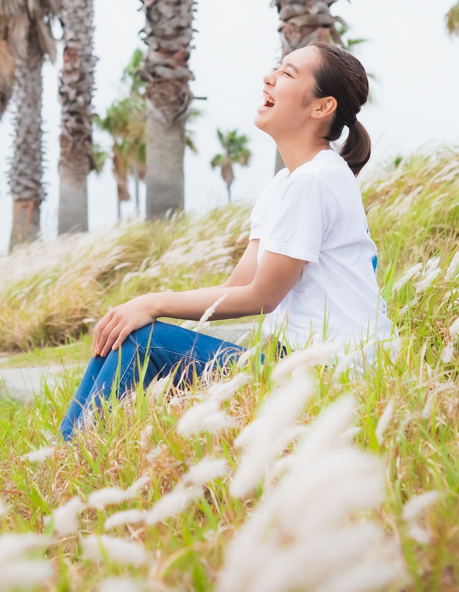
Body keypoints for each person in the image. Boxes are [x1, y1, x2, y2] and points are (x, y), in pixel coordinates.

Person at [59, 42, 392, 440]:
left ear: (322, 107)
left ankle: (69, 450)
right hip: (289, 361)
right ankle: (67, 447)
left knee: (141, 342)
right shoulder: (285, 184)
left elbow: (262, 297)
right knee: (127, 333)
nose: (269, 78)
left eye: (287, 74)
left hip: (334, 371)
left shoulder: (313, 182)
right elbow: (236, 289)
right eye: (277, 67)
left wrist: (153, 303)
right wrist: (146, 308)